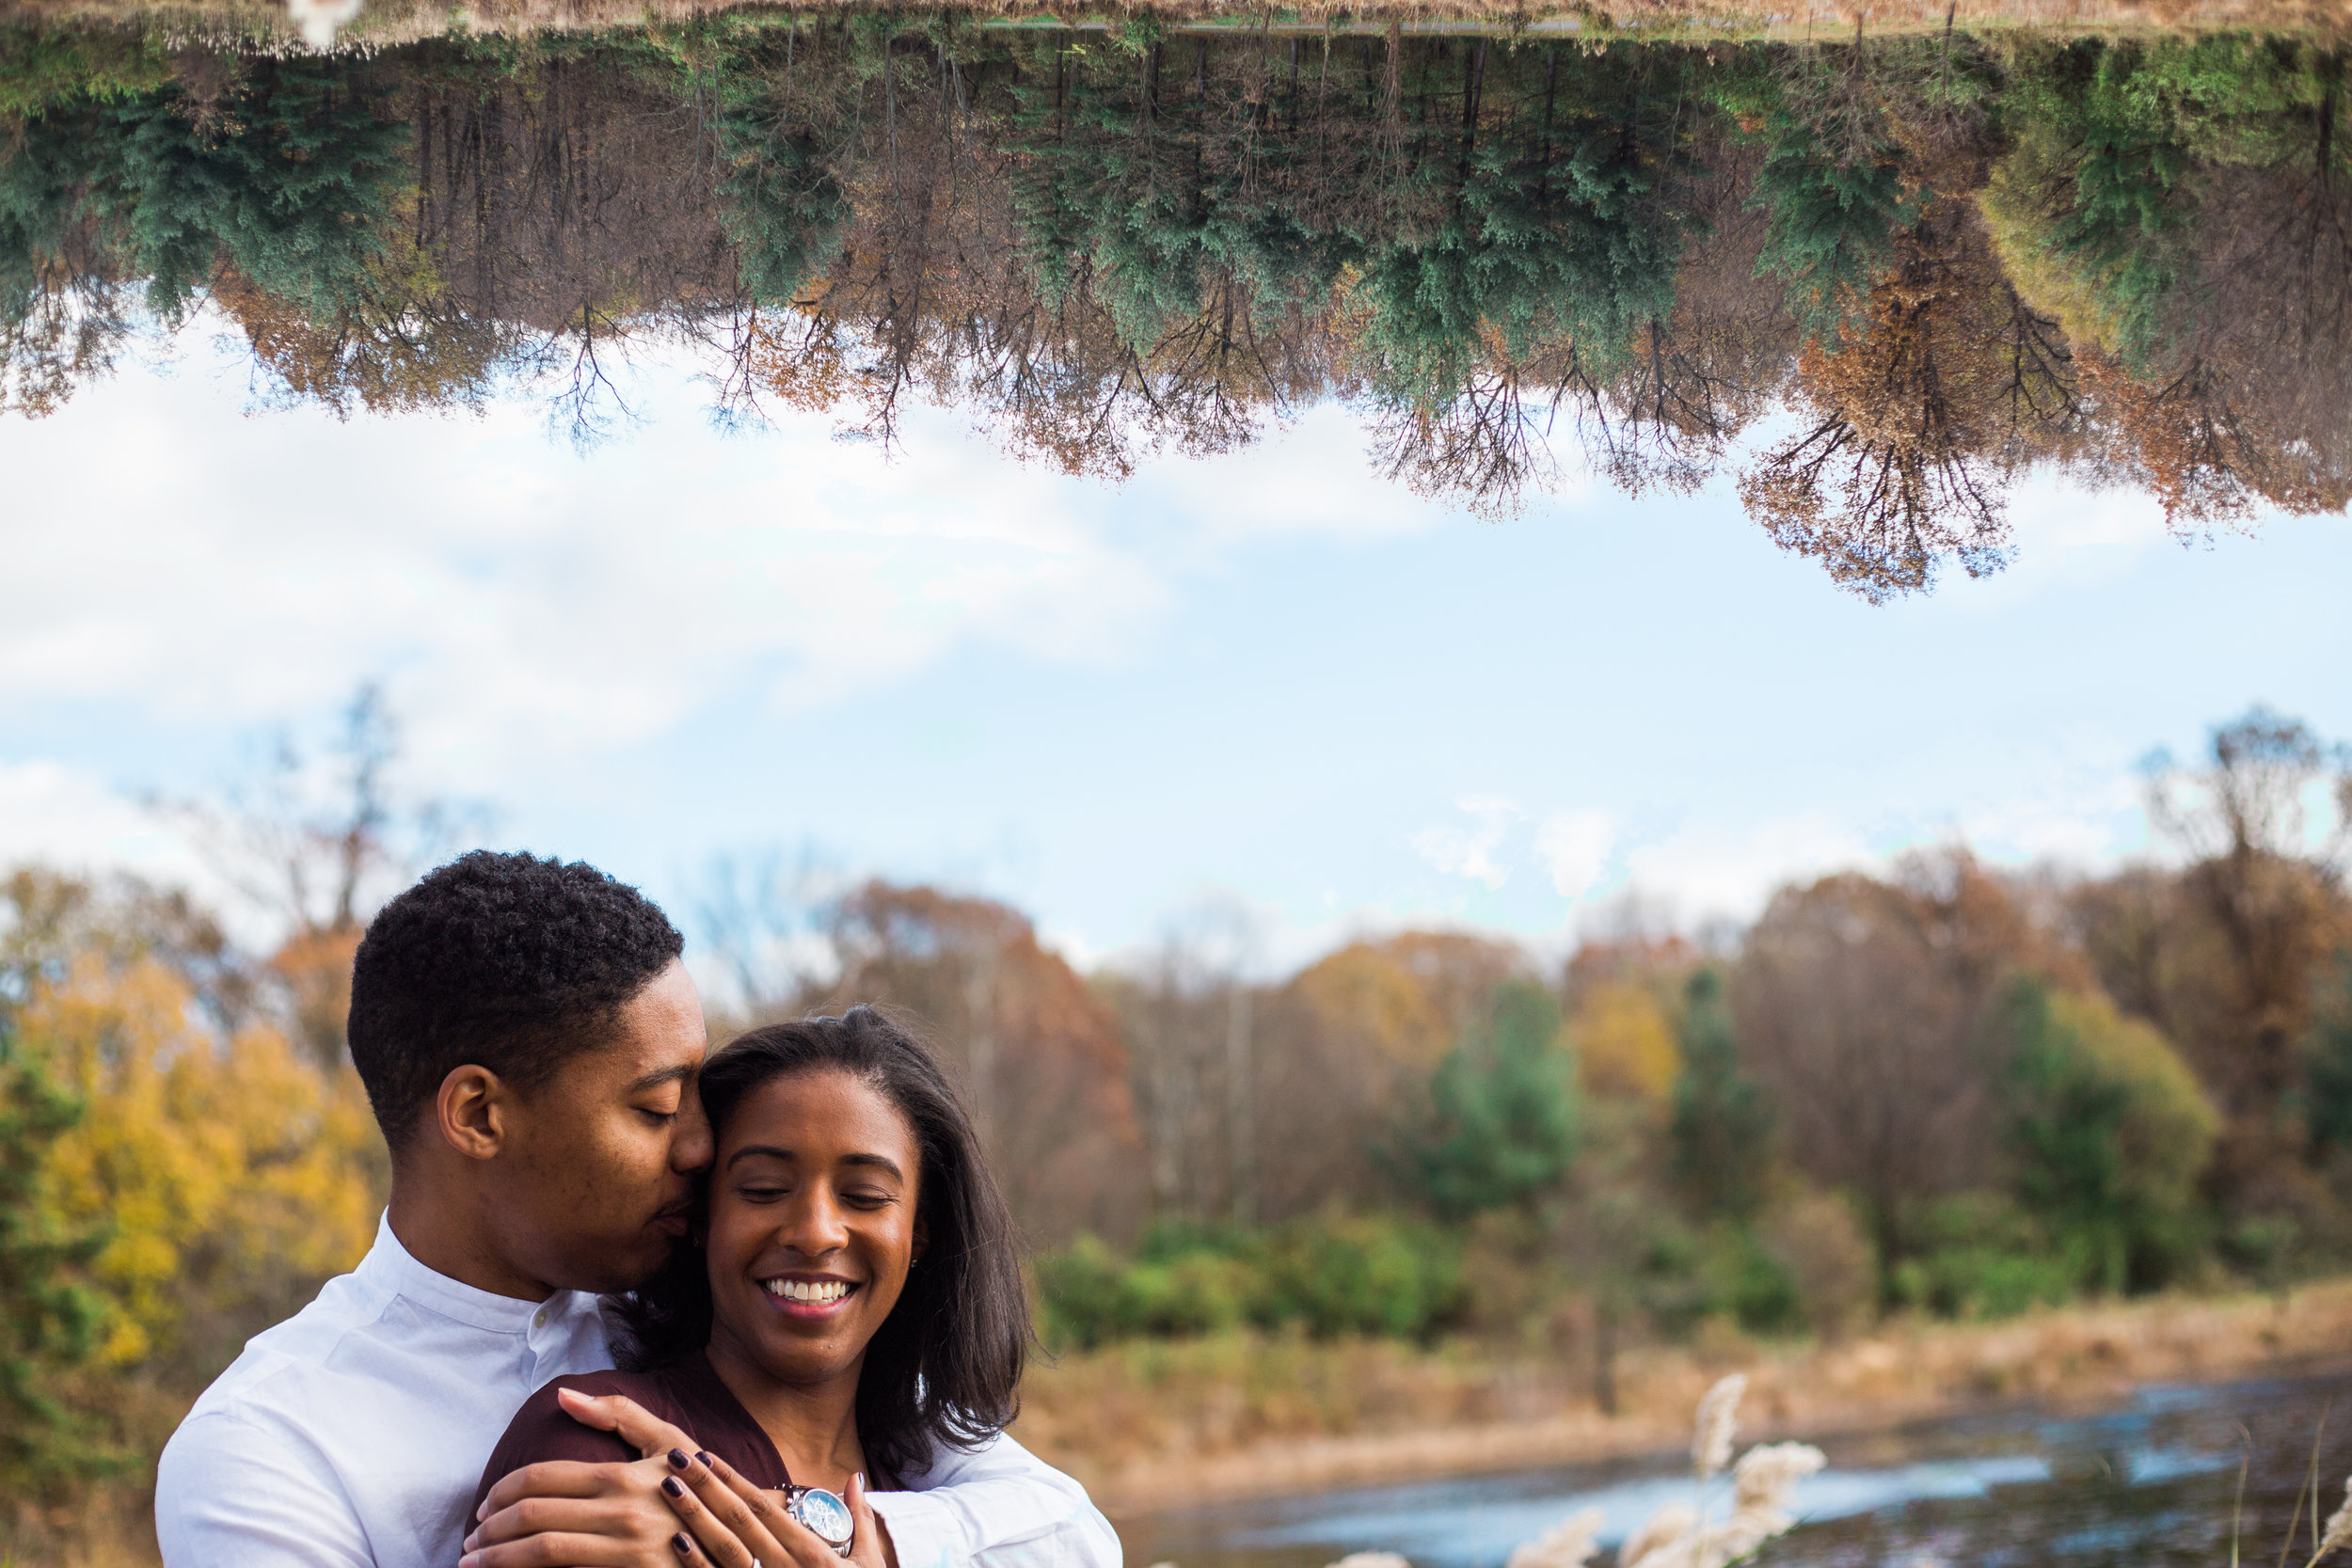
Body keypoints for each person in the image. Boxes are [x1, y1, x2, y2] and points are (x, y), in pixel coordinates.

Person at [154, 851, 1117, 1568]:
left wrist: (805, 1526)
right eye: (657, 1107)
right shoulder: (268, 1442)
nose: (701, 1145)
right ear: (481, 1113)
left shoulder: (700, 1307)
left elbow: (1071, 1529)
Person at [470, 1007, 1076, 1568]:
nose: (814, 1234)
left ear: (919, 1233)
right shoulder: (600, 1453)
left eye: (864, 1196)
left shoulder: (922, 1472)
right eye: (763, 1188)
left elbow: (1084, 1532)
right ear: (702, 1216)